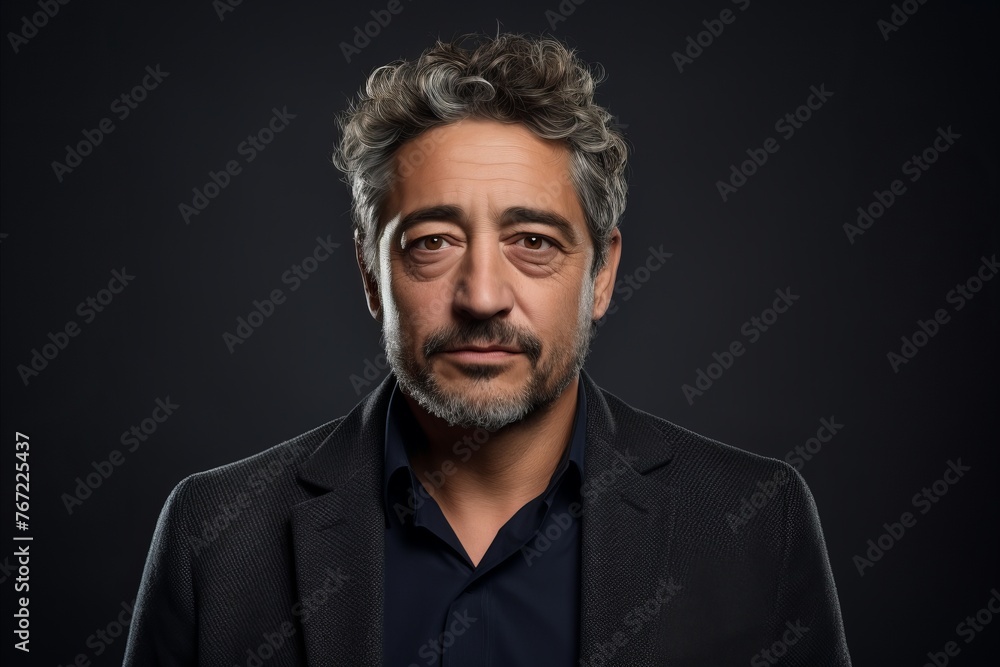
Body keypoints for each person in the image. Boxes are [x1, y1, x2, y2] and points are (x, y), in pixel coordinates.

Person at [124, 33, 851, 666]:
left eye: (532, 242)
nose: (481, 295)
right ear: (370, 276)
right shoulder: (215, 539)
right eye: (432, 242)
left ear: (602, 275)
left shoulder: (757, 523)